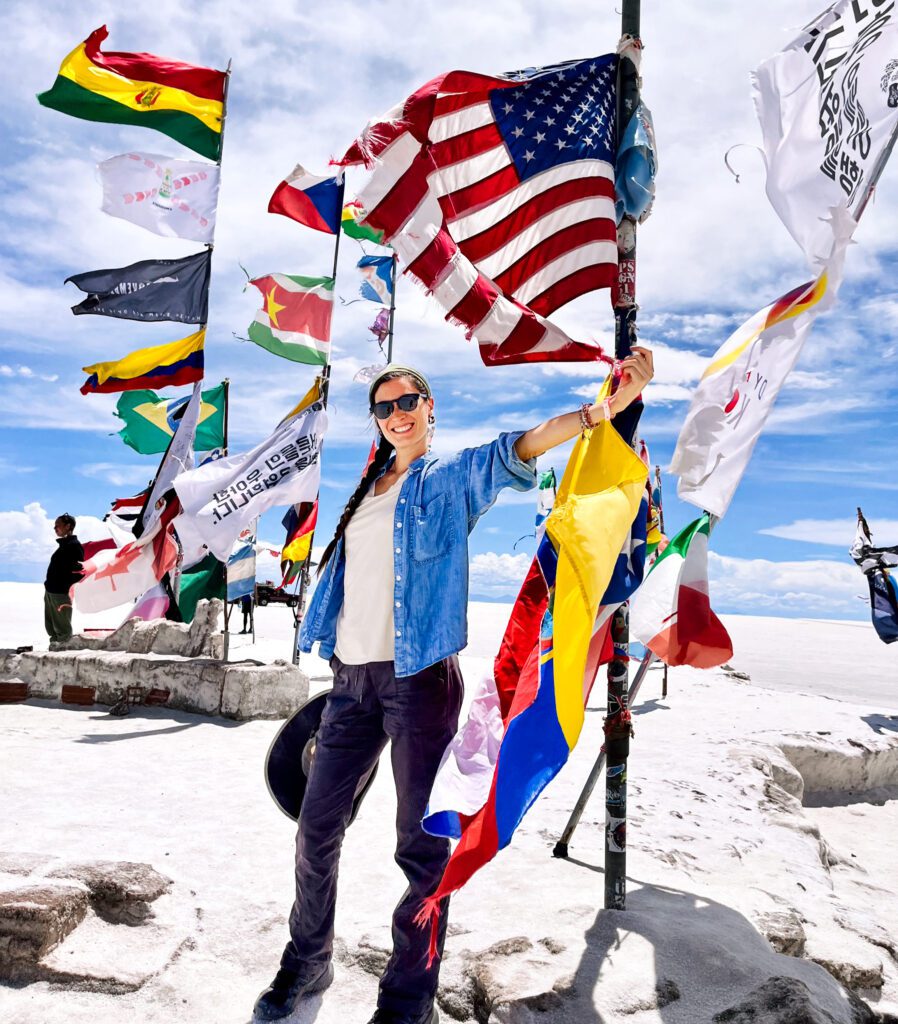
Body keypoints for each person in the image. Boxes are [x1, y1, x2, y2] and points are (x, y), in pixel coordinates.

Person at [254, 352, 654, 1024]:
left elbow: (517, 449)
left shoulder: (448, 478)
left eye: (408, 402)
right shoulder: (368, 488)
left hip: (420, 682)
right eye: (383, 407)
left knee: (419, 844)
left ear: (429, 409)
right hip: (350, 685)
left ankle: (409, 992)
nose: (396, 415)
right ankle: (307, 960)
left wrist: (603, 409)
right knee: (315, 828)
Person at [44, 514, 84, 645]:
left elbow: (79, 571)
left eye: (58, 525)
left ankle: (63, 654)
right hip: (51, 592)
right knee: (52, 628)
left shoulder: (74, 546)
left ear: (68, 526)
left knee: (63, 631)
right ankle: (52, 654)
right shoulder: (64, 545)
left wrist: (64, 586)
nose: (55, 528)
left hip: (60, 594)